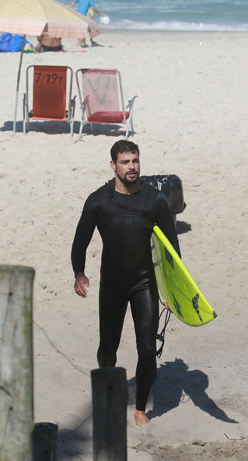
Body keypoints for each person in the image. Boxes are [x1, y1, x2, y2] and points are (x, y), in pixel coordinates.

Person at [71, 140, 180, 427]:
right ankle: (108, 395)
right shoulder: (99, 200)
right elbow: (80, 242)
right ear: (113, 166)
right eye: (125, 162)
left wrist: (173, 289)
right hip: (112, 284)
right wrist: (79, 273)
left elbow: (172, 249)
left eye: (135, 161)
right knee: (108, 346)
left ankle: (141, 408)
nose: (132, 167)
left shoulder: (155, 200)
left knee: (146, 349)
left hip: (145, 282)